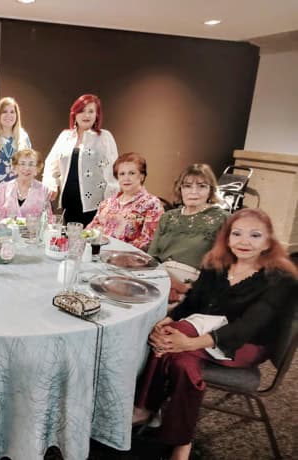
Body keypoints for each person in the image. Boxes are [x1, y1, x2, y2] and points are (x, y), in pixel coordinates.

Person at [133, 208, 298, 460]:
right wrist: (167, 321)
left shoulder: (280, 277)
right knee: (181, 361)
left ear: (268, 242)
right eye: (237, 233)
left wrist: (188, 342)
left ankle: (145, 408)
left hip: (246, 345)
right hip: (202, 328)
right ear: (227, 237)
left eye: (255, 235)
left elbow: (246, 328)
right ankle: (182, 440)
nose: (244, 241)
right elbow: (193, 302)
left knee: (173, 342)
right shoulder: (216, 263)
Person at [148, 164, 229, 303]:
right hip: (160, 278)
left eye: (201, 186)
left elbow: (224, 266)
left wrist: (184, 287)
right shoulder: (168, 216)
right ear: (180, 189)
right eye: (187, 186)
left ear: (210, 190)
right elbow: (152, 257)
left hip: (193, 286)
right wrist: (167, 282)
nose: (194, 192)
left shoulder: (223, 218)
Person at [42, 93, 119, 225]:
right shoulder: (65, 136)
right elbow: (50, 165)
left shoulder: (104, 137)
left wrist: (110, 204)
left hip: (95, 205)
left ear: (97, 115)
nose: (86, 115)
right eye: (82, 111)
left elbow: (113, 172)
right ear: (75, 114)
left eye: (91, 111)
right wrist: (51, 184)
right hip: (68, 201)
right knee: (69, 236)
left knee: (92, 237)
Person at [86, 152, 164, 250]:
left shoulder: (152, 203)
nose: (126, 178)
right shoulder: (107, 203)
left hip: (128, 256)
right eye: (122, 174)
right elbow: (91, 229)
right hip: (98, 252)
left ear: (142, 176)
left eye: (132, 173)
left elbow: (148, 240)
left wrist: (115, 249)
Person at [0, 148, 51, 219]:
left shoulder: (43, 190)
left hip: (33, 227)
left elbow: (48, 220)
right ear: (15, 167)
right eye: (22, 163)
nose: (27, 168)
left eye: (31, 164)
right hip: (5, 227)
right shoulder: (3, 188)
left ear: (37, 168)